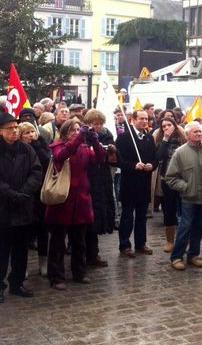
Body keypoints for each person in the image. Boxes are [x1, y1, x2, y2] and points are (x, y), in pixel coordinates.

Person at [46, 119, 106, 290]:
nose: (77, 132)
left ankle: (79, 271)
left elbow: (101, 158)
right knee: (58, 240)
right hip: (63, 198)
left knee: (79, 239)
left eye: (79, 129)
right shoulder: (57, 146)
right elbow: (61, 156)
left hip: (81, 198)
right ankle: (56, 276)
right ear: (65, 132)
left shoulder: (84, 148)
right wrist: (80, 137)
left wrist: (94, 139)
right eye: (73, 130)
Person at [0, 113, 42, 302]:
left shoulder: (26, 149)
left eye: (16, 127)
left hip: (23, 208)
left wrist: (24, 193)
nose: (14, 131)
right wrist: (12, 194)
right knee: (2, 251)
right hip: (3, 207)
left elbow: (36, 172)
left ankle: (17, 283)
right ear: (1, 131)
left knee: (21, 250)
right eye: (10, 128)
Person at [165, 121, 202, 271]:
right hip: (188, 198)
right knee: (185, 227)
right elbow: (170, 177)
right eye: (195, 132)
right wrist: (185, 187)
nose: (198, 134)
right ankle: (176, 257)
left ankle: (193, 255)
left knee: (200, 227)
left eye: (200, 131)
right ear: (187, 135)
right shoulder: (180, 152)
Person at [116, 110, 157, 258]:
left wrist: (152, 166)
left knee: (142, 216)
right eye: (141, 119)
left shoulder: (149, 138)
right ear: (133, 120)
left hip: (144, 184)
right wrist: (134, 165)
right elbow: (118, 160)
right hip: (129, 184)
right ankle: (125, 245)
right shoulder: (124, 138)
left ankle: (141, 243)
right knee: (127, 216)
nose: (144, 121)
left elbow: (155, 158)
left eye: (146, 119)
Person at [83, 110, 116, 268]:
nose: (99, 126)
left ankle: (93, 253)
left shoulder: (107, 135)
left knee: (98, 215)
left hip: (102, 179)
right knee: (87, 218)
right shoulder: (83, 136)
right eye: (95, 123)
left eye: (100, 123)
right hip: (88, 179)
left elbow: (112, 157)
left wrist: (111, 149)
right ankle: (85, 253)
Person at [18, 121, 51, 276]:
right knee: (25, 232)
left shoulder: (41, 145)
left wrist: (37, 144)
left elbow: (46, 161)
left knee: (43, 229)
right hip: (24, 195)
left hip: (41, 194)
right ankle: (22, 266)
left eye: (32, 131)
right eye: (27, 133)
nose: (31, 135)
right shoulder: (17, 150)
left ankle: (43, 262)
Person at [154, 116, 186, 253]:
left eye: (169, 125)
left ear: (175, 125)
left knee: (185, 210)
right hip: (168, 179)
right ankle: (169, 240)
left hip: (184, 179)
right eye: (163, 126)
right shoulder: (161, 139)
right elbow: (159, 157)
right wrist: (165, 140)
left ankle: (184, 241)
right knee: (169, 210)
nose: (166, 128)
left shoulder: (182, 138)